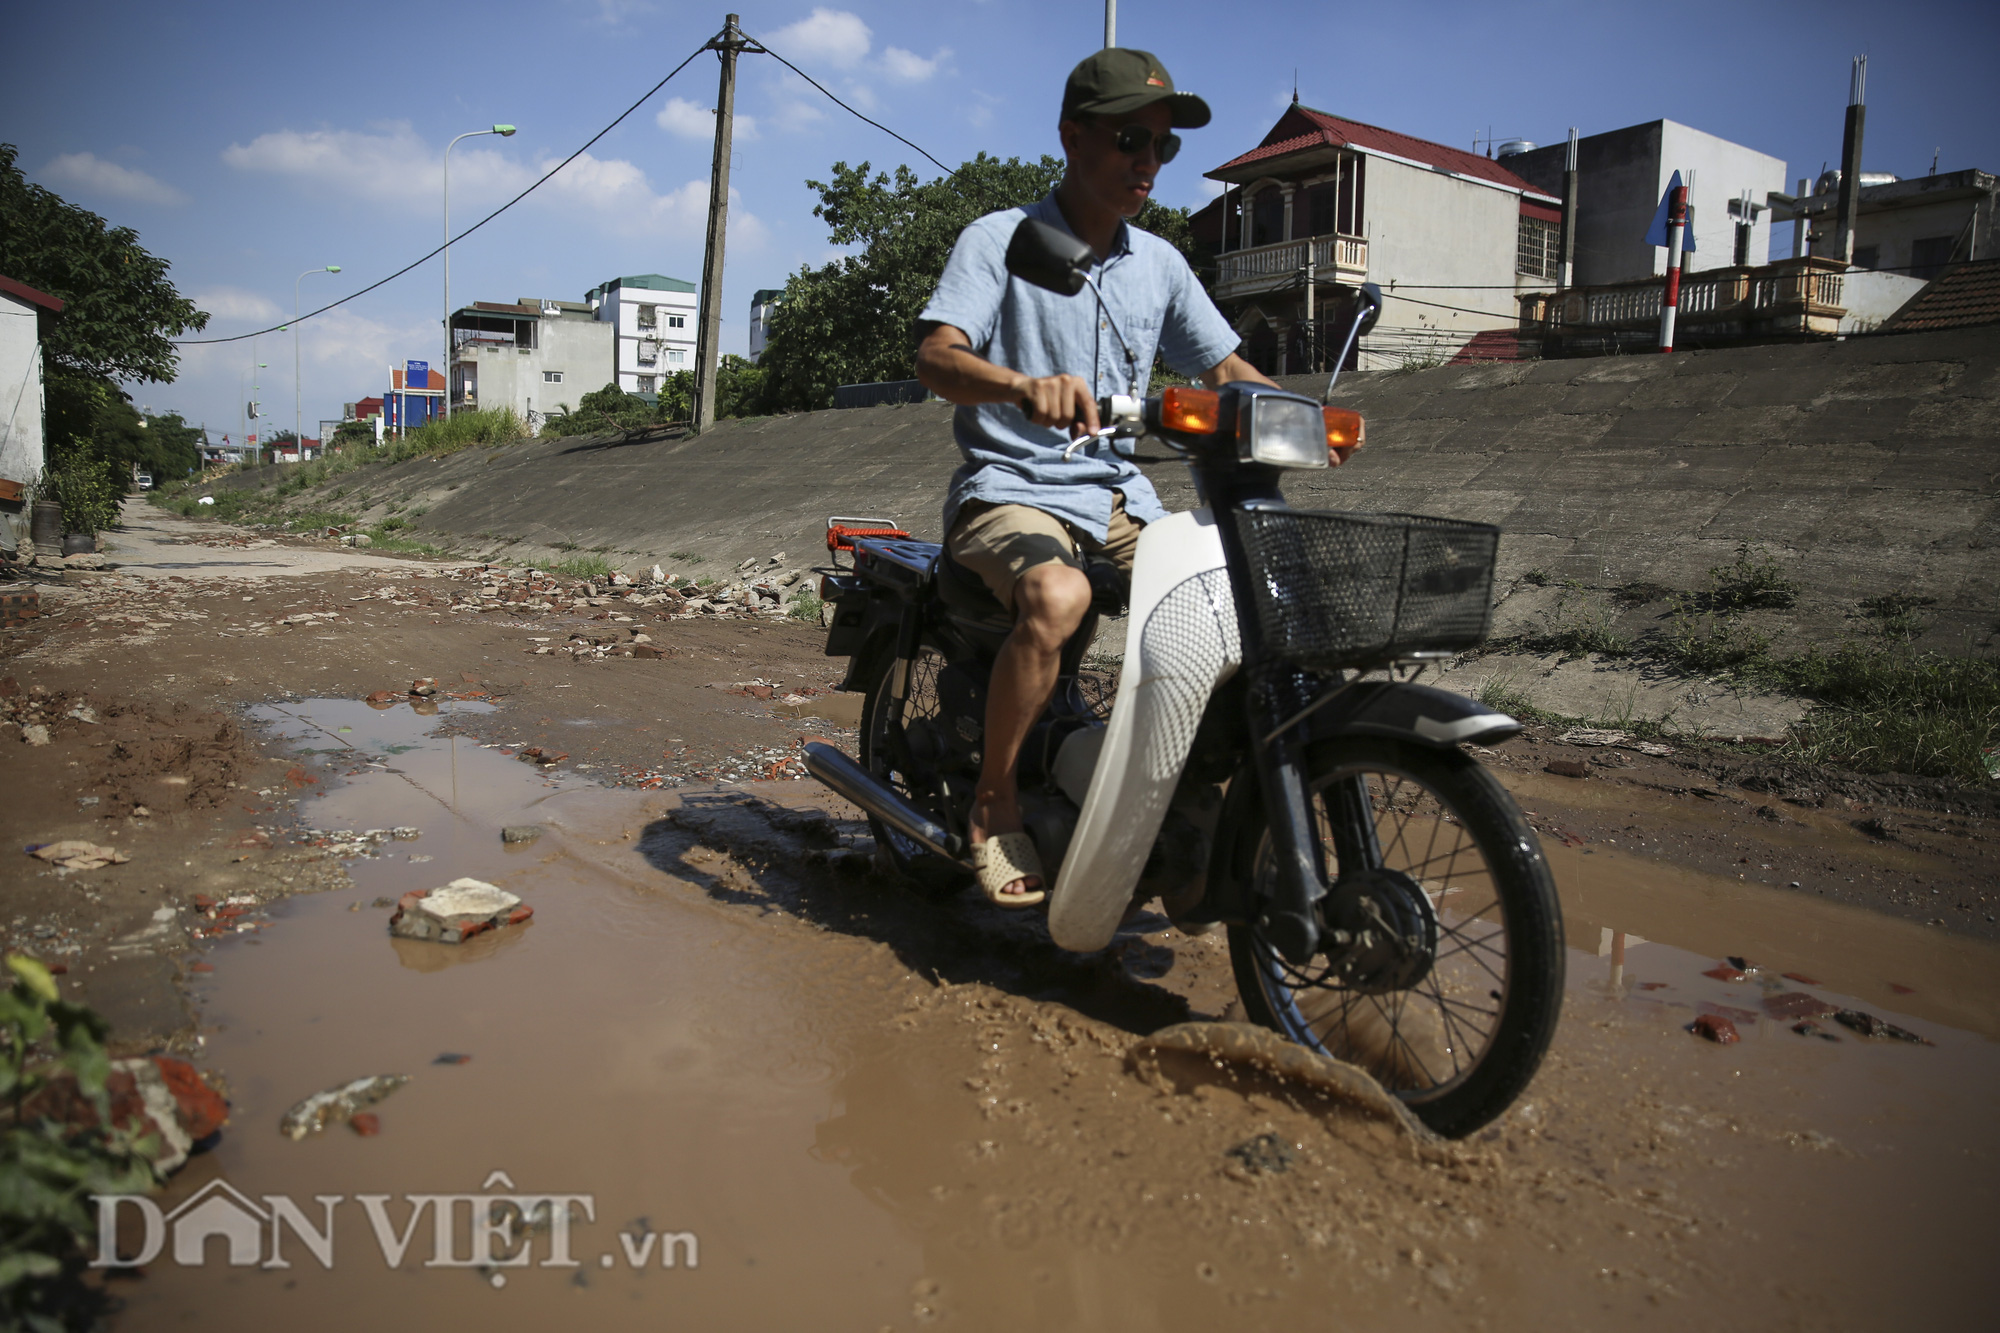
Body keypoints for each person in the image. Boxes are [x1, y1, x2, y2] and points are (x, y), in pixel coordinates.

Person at [913, 48, 1280, 908]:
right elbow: (936, 356)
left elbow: (1227, 368)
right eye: (1128, 140)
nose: (1147, 161)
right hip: (1009, 488)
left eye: (1161, 146)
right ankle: (993, 804)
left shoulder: (1158, 264)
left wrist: (1306, 419)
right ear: (1072, 137)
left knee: (1235, 612)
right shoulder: (1001, 240)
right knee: (1059, 598)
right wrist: (1017, 386)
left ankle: (1166, 799)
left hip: (1120, 499)